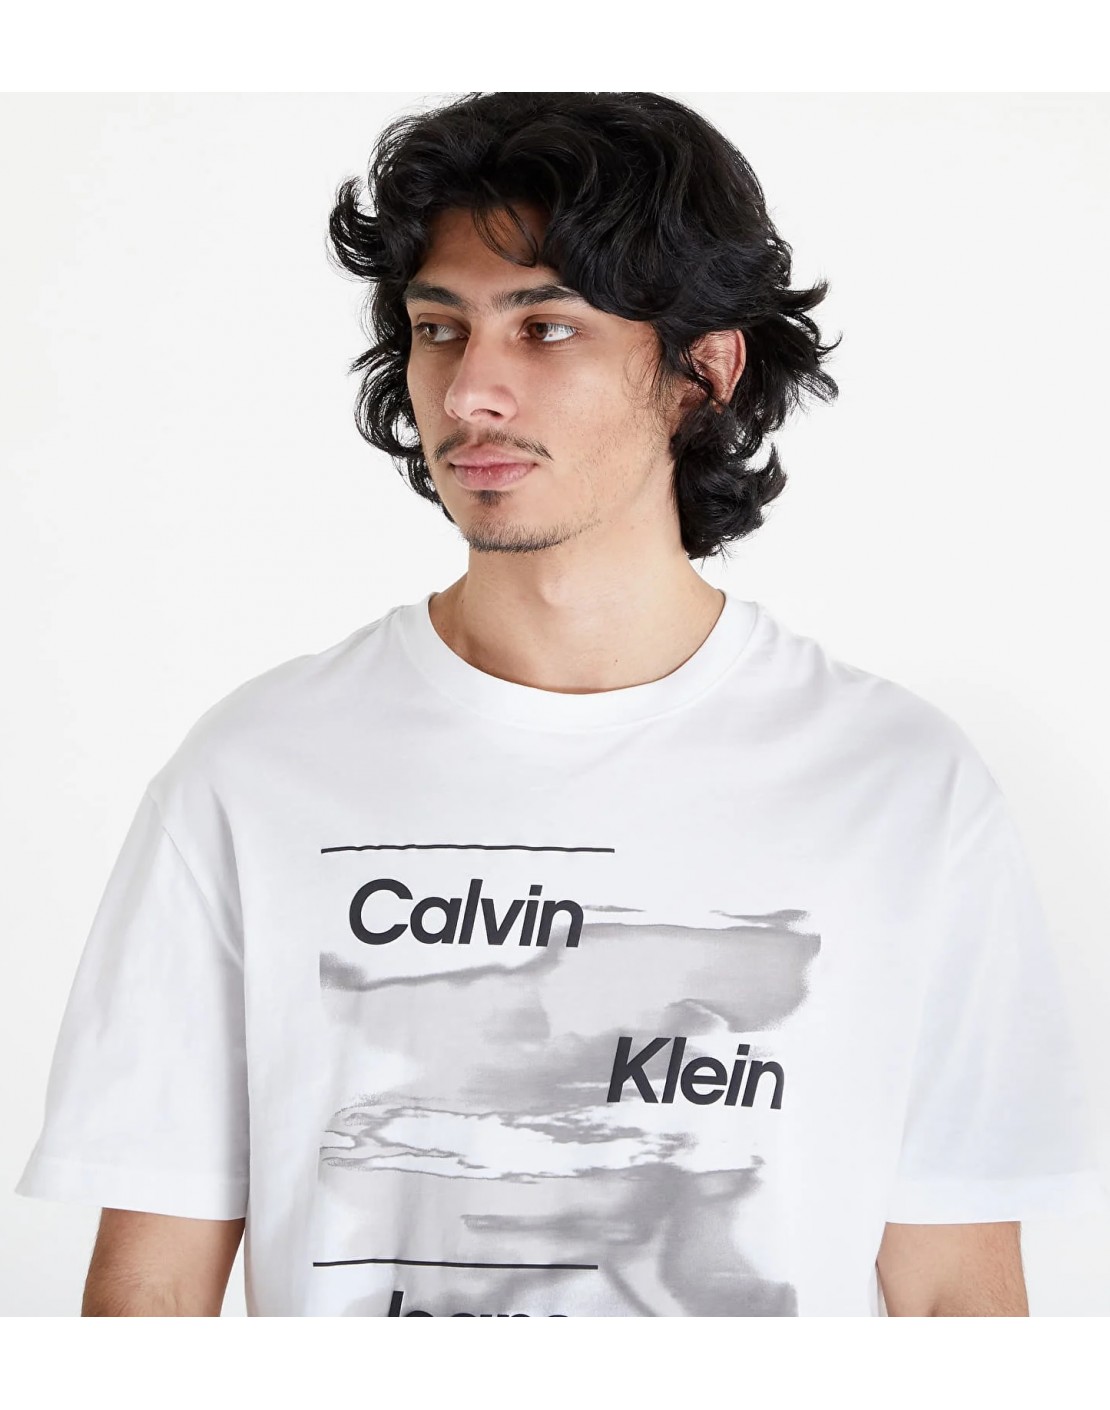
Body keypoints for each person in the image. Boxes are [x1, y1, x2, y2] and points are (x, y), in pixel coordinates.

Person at [15, 91, 1105, 1318]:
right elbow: (151, 1288)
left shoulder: (897, 783)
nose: (470, 393)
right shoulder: (257, 771)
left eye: (545, 329)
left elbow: (956, 1292)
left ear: (704, 369)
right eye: (440, 330)